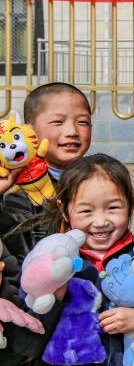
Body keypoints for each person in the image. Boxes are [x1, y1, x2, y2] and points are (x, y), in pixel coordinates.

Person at [9, 154, 134, 366]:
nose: (100, 221)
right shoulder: (48, 263)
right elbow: (26, 343)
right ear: (64, 210)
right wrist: (54, 300)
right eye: (86, 211)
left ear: (132, 202)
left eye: (113, 208)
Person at [0, 83, 92, 266]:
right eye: (58, 122)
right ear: (29, 129)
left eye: (82, 122)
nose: (72, 131)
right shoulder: (15, 188)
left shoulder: (99, 179)